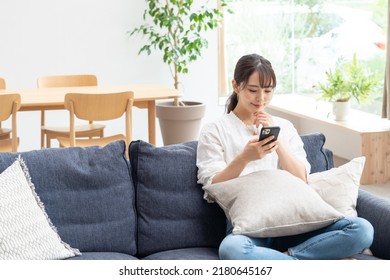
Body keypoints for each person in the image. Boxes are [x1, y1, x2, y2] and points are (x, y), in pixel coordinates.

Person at [196, 53, 374, 260]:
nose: (260, 98)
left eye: (267, 91)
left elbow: (302, 178)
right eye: (253, 90)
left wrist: (277, 140)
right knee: (232, 250)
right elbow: (212, 184)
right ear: (236, 86)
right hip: (251, 230)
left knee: (362, 230)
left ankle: (288, 258)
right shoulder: (214, 130)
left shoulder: (285, 127)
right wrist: (244, 157)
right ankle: (315, 263)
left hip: (298, 225)